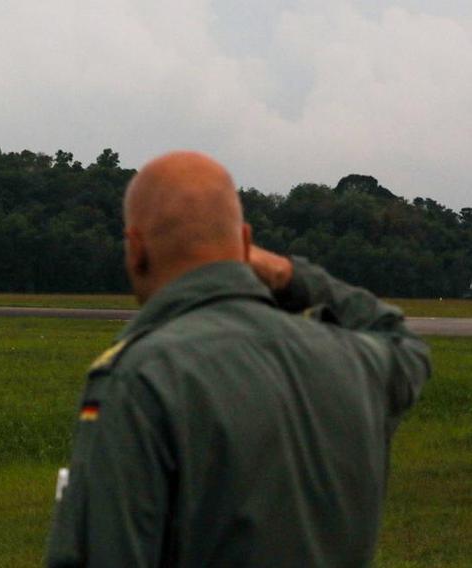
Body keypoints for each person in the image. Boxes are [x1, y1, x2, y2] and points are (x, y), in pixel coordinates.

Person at [46, 151, 431, 567]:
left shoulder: (142, 378)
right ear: (247, 244)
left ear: (136, 249)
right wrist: (291, 275)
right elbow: (399, 338)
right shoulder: (353, 360)